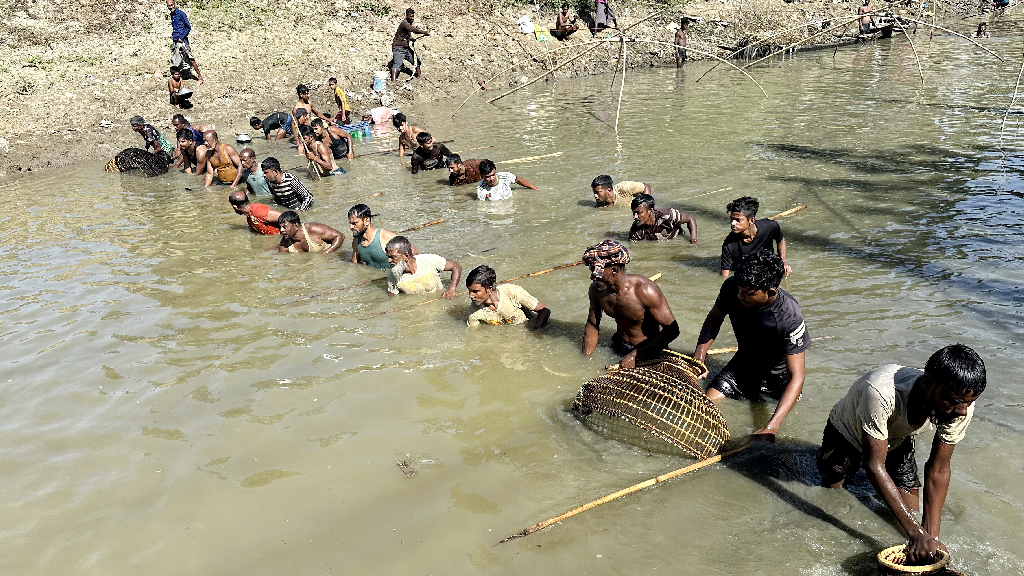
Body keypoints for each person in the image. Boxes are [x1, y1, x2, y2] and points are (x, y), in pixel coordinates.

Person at [816, 344, 986, 565]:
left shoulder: (961, 403)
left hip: (897, 438)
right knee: (833, 492)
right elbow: (874, 465)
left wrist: (930, 538)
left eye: (968, 402)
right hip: (848, 432)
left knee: (909, 514)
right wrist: (916, 534)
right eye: (953, 401)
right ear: (927, 384)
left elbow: (938, 469)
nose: (962, 410)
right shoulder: (880, 392)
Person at [693, 250, 808, 440]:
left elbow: (796, 377)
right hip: (743, 366)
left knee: (771, 435)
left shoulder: (789, 317)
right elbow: (714, 318)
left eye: (748, 293)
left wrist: (771, 427)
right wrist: (700, 355)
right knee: (705, 405)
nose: (740, 296)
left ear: (770, 292)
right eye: (739, 290)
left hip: (778, 379)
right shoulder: (733, 287)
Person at [582, 240, 679, 369]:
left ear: (614, 270)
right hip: (619, 345)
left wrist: (635, 355)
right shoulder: (597, 290)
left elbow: (672, 330)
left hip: (649, 351)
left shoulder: (644, 290)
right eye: (592, 272)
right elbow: (593, 324)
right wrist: (585, 361)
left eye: (597, 273)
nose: (593, 278)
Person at [720, 196, 791, 278]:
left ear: (751, 220)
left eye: (737, 220)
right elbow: (724, 277)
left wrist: (783, 261)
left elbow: (780, 239)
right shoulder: (729, 245)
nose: (732, 223)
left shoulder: (770, 226)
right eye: (731, 219)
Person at [466, 265, 550, 328]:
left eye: (475, 291)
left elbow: (544, 310)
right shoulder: (474, 313)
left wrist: (536, 333)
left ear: (489, 289)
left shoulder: (513, 292)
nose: (470, 296)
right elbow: (475, 339)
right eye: (469, 291)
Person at [384, 236, 462, 298]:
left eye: (393, 257)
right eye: (388, 257)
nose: (388, 261)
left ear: (406, 256)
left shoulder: (429, 260)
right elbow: (393, 300)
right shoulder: (393, 275)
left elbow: (456, 266)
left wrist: (451, 289)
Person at [348, 204, 410, 270]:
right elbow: (355, 265)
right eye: (350, 224)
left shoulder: (387, 237)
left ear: (366, 221)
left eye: (354, 223)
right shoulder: (356, 242)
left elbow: (413, 252)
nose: (351, 227)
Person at [629, 193, 697, 243]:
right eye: (634, 213)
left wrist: (693, 241)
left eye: (639, 213)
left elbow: (690, 218)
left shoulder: (668, 215)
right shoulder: (635, 231)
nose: (634, 216)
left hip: (678, 238)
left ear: (651, 211)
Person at [167, 0, 205, 85]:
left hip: (182, 40)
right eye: (169, 6)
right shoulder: (172, 15)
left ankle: (200, 77)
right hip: (176, 40)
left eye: (172, 5)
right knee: (176, 60)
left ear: (174, 4)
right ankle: (177, 80)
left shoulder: (181, 14)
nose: (170, 7)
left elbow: (188, 27)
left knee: (190, 58)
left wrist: (182, 37)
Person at [277, 211, 344, 254]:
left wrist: (326, 253)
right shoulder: (284, 245)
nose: (281, 230)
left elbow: (340, 236)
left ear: (296, 226)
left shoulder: (313, 229)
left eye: (284, 227)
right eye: (280, 227)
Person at [391, 8, 428, 82]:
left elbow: (406, 35)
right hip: (398, 48)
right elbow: (413, 30)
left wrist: (411, 39)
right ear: (406, 15)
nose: (412, 18)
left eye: (413, 16)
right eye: (411, 16)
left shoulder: (408, 23)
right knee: (397, 64)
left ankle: (420, 77)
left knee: (416, 61)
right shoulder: (404, 23)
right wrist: (424, 32)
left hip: (406, 48)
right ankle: (393, 82)